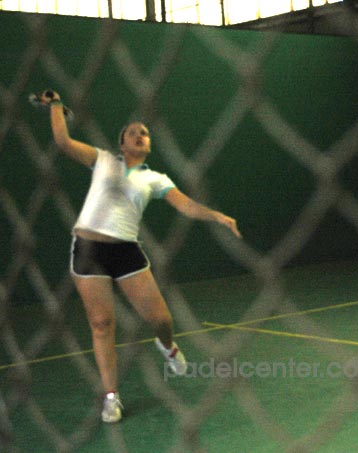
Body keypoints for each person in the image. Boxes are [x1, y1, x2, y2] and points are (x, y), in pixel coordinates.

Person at [37, 90, 242, 422]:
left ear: (148, 144)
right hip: (88, 250)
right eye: (132, 132)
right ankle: (111, 397)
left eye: (144, 133)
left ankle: (168, 346)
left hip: (127, 252)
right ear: (122, 144)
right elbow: (63, 142)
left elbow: (186, 205)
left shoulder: (155, 178)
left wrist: (216, 215)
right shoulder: (103, 160)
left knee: (162, 320)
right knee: (102, 324)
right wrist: (56, 106)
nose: (139, 135)